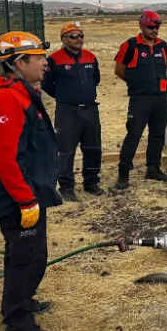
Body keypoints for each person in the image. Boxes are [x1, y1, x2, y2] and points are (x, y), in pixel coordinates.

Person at [0, 31, 61, 331]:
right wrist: (25, 200)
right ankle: (18, 324)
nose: (45, 63)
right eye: (39, 58)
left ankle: (22, 301)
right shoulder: (7, 100)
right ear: (19, 63)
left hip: (28, 189)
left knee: (31, 253)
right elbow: (6, 159)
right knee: (25, 256)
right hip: (16, 196)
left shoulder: (21, 93)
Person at [41, 21, 103, 200]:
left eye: (81, 35)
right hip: (67, 112)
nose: (79, 39)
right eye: (74, 36)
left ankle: (91, 183)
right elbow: (46, 83)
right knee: (65, 151)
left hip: (90, 110)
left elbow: (96, 79)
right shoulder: (54, 59)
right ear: (64, 39)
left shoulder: (90, 57)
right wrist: (64, 96)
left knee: (93, 147)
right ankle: (66, 188)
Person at [113, 10, 167, 190]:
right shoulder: (130, 46)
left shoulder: (163, 46)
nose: (154, 30)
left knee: (158, 134)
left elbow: (164, 66)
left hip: (160, 98)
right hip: (140, 99)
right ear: (141, 26)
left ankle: (153, 169)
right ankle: (123, 175)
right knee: (134, 135)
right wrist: (137, 84)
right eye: (150, 27)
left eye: (157, 27)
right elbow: (119, 70)